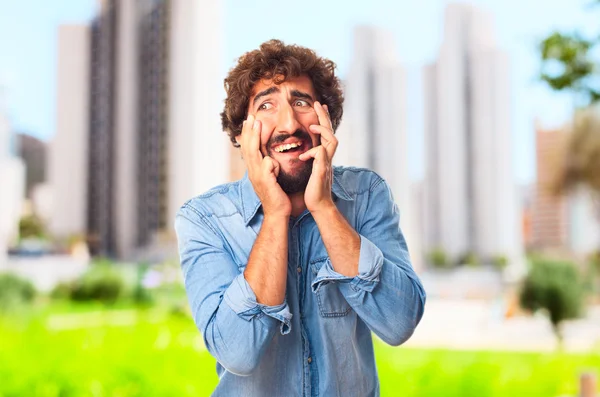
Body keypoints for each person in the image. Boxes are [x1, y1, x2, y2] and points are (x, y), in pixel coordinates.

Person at [174, 39, 426, 397]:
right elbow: (237, 352)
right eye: (266, 105)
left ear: (326, 118)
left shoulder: (367, 195)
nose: (288, 123)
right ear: (242, 132)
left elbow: (399, 323)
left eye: (301, 102)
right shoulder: (205, 219)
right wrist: (275, 213)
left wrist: (324, 207)